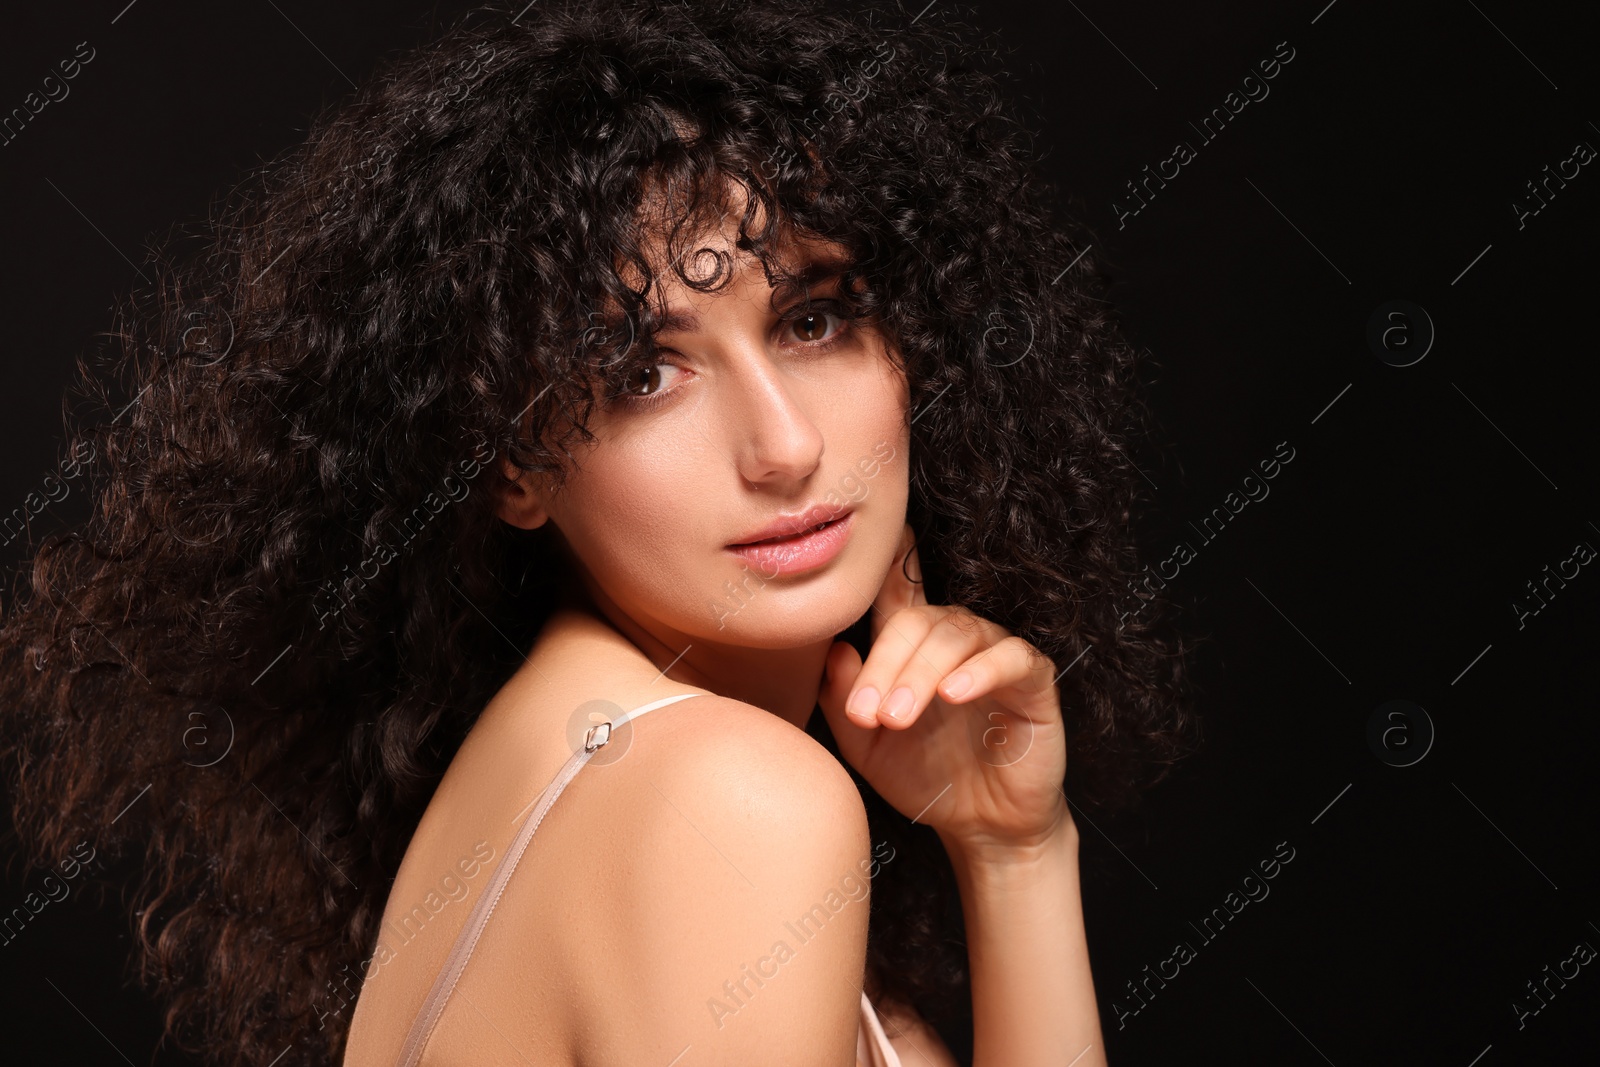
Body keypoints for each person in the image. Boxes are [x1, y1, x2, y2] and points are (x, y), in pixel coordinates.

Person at [0, 1, 1197, 1065]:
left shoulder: (597, 760)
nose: (782, 446)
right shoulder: (727, 799)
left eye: (816, 320)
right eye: (640, 374)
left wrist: (1015, 853)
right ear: (513, 465)